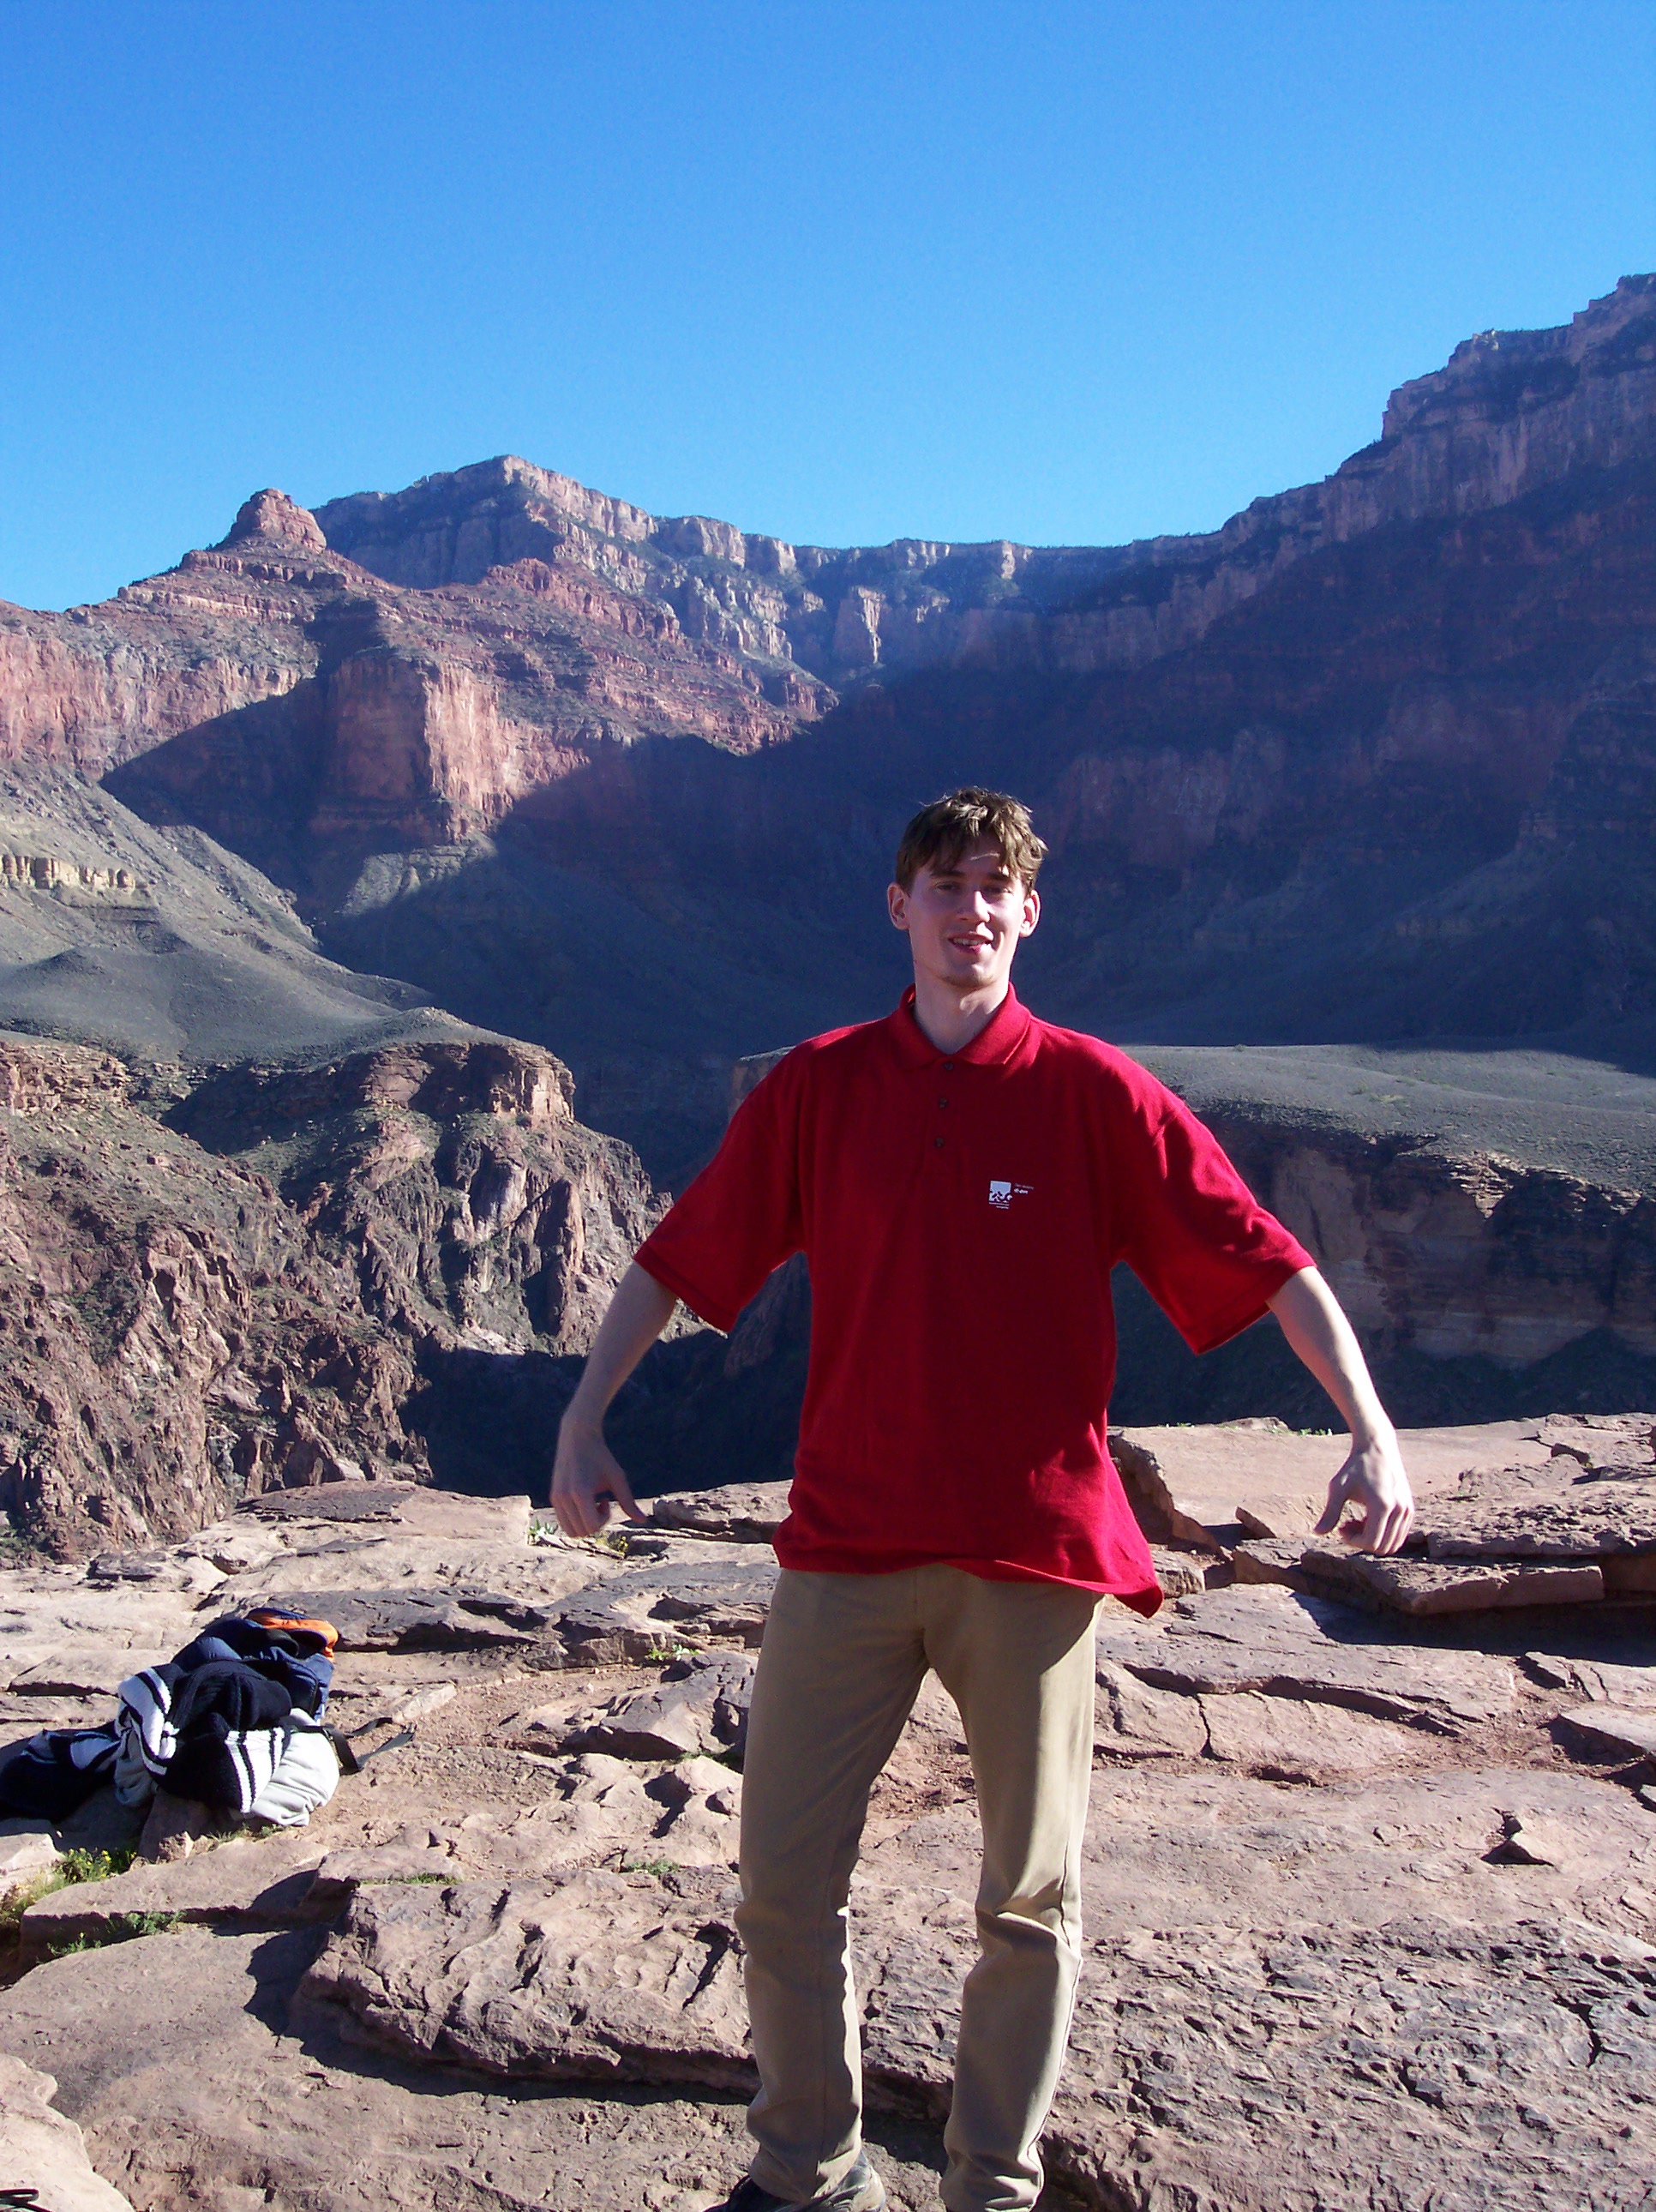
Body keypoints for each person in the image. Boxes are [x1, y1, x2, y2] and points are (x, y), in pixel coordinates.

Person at [551, 786, 1414, 2212]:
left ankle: (991, 2190)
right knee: (781, 1885)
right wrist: (584, 1418)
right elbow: (679, 1254)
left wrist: (1373, 1432)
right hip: (846, 1543)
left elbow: (1269, 1260)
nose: (972, 910)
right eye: (945, 886)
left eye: (995, 887)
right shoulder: (821, 1086)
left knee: (1030, 1902)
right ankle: (807, 2172)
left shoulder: (1094, 1093)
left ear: (1031, 912)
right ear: (900, 909)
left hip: (1033, 1552)